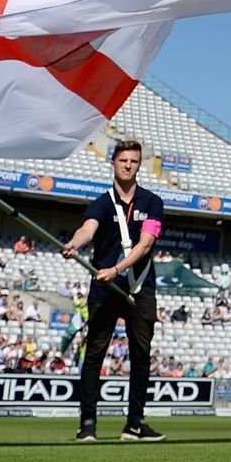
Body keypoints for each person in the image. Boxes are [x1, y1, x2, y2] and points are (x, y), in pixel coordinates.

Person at [60, 141, 165, 443]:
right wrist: (74, 244)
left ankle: (135, 423)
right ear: (114, 163)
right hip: (104, 288)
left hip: (139, 285)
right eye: (123, 160)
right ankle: (88, 423)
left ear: (138, 165)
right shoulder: (101, 203)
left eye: (133, 160)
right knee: (95, 353)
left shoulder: (153, 202)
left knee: (141, 355)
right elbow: (87, 229)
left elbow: (146, 243)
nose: (128, 165)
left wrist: (118, 270)